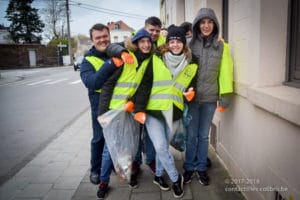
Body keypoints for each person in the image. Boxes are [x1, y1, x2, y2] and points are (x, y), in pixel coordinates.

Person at [96, 29, 155, 199]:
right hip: (113, 110)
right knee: (110, 148)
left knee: (128, 145)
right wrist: (122, 52)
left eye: (148, 42)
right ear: (135, 43)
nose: (145, 45)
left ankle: (127, 175)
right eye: (141, 41)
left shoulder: (147, 62)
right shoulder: (126, 55)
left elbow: (142, 90)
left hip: (129, 110)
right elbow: (111, 47)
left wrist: (135, 106)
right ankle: (104, 182)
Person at [144, 25, 198, 198]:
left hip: (174, 112)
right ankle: (176, 179)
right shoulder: (156, 58)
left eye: (178, 41)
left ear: (184, 43)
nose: (175, 44)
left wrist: (191, 92)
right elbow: (145, 84)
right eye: (172, 41)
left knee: (163, 148)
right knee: (160, 146)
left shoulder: (191, 62)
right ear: (167, 43)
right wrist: (138, 108)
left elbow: (192, 84)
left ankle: (158, 176)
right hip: (154, 111)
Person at [183, 8, 233, 186]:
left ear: (215, 24)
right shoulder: (188, 44)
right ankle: (189, 167)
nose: (206, 26)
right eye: (202, 22)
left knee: (204, 136)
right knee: (191, 135)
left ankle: (201, 167)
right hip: (192, 98)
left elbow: (226, 72)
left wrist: (225, 97)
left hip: (210, 99)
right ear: (197, 24)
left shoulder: (221, 45)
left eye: (210, 22)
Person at [80, 23, 133, 185]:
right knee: (99, 138)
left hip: (119, 104)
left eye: (105, 36)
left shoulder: (115, 50)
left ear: (109, 36)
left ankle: (114, 166)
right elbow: (93, 82)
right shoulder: (87, 61)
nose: (102, 40)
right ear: (92, 40)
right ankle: (95, 170)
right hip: (100, 106)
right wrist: (110, 64)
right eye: (98, 38)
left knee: (119, 138)